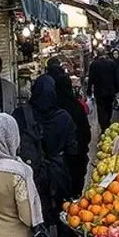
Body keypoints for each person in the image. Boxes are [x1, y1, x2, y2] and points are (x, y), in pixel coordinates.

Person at [14, 75, 78, 215]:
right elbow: (72, 150)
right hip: (58, 173)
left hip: (31, 175)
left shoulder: (21, 114)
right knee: (62, 212)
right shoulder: (64, 117)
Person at [46, 62, 92, 199]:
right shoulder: (76, 107)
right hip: (77, 156)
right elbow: (86, 133)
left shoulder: (52, 109)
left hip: (59, 161)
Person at [87, 47, 118, 130]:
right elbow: (116, 77)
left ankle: (103, 125)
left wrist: (89, 90)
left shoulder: (94, 64)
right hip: (110, 90)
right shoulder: (112, 63)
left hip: (99, 91)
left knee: (101, 109)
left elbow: (91, 78)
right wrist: (117, 89)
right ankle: (108, 120)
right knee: (109, 107)